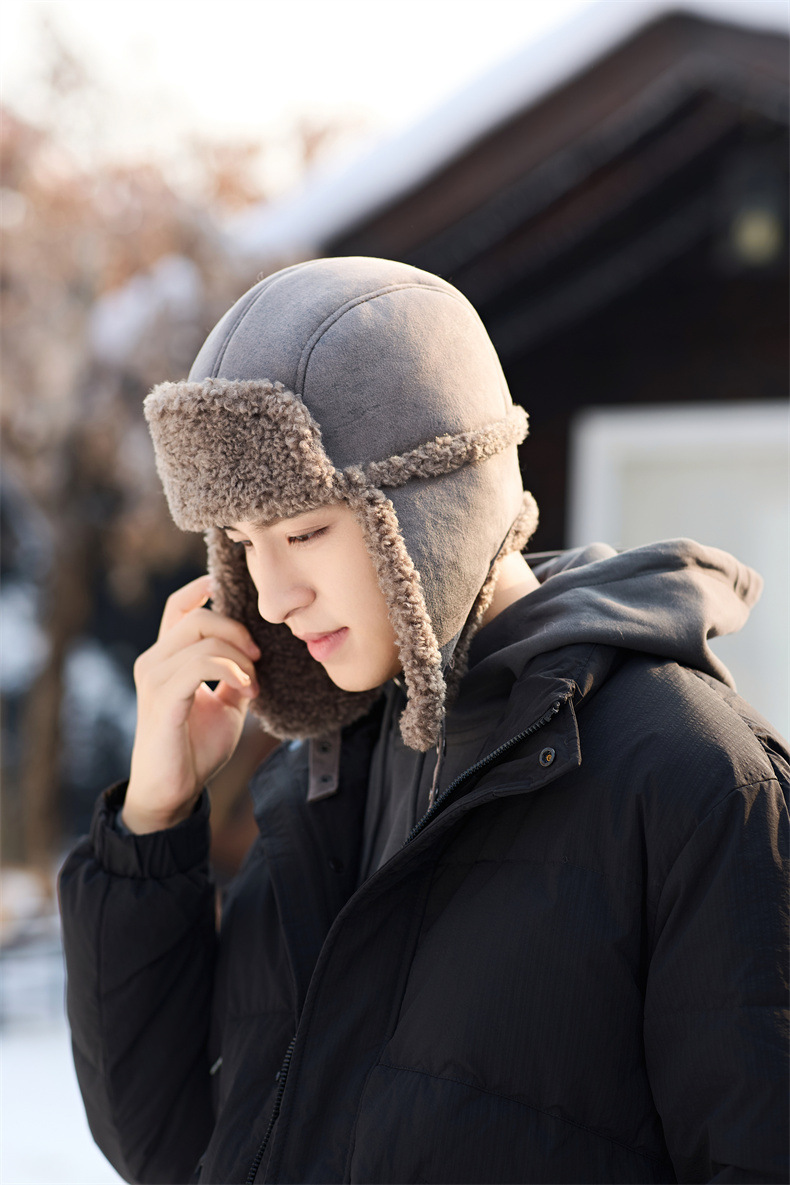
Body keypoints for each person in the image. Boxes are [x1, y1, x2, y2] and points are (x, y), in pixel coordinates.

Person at [59, 256, 788, 1185]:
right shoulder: (324, 782)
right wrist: (151, 824)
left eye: (306, 530)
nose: (272, 597)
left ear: (432, 503)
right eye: (242, 542)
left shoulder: (695, 777)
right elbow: (168, 1146)